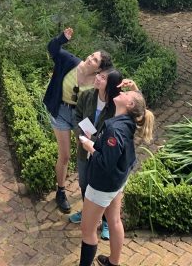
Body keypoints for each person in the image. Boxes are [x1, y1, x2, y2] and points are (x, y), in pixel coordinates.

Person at [77, 80, 155, 266]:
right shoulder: (127, 121)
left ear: (129, 105)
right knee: (114, 220)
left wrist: (90, 147)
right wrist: (97, 141)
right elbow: (139, 105)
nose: (122, 92)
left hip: (102, 184)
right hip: (117, 181)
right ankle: (113, 262)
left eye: (127, 94)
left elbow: (105, 163)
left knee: (87, 230)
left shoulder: (115, 129)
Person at [43, 27, 113, 213]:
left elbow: (112, 94)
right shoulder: (69, 61)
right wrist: (62, 38)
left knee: (87, 154)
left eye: (95, 60)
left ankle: (90, 193)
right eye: (91, 55)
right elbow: (52, 49)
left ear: (100, 68)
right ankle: (61, 190)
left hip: (81, 117)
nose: (90, 59)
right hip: (61, 112)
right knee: (65, 155)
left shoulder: (98, 81)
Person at [71, 68, 122, 240]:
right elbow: (77, 116)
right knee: (84, 182)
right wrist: (80, 134)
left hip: (102, 153)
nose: (98, 79)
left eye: (103, 77)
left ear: (111, 84)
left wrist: (94, 139)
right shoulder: (87, 96)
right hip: (84, 149)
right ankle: (87, 213)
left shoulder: (116, 105)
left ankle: (106, 222)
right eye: (98, 75)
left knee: (102, 187)